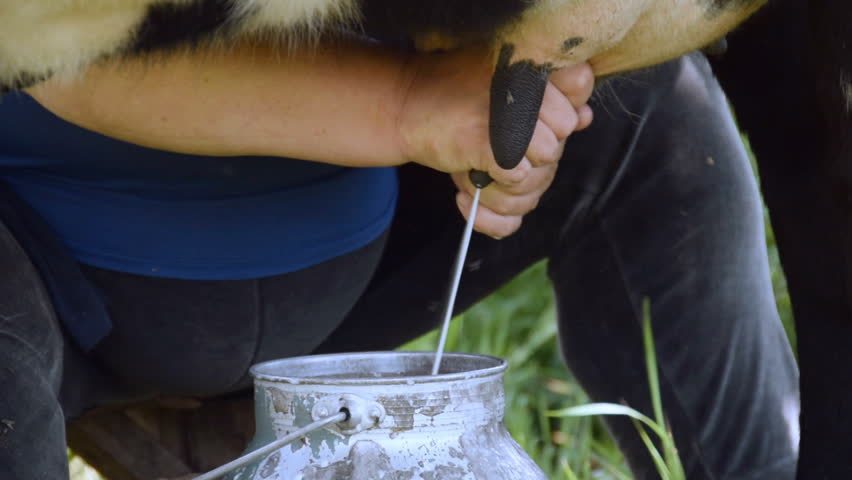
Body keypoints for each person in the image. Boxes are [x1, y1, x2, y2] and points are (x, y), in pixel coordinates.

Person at [0, 33, 798, 479]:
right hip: (49, 272)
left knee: (651, 106)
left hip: (349, 261)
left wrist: (512, 91)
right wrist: (408, 103)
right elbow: (51, 41)